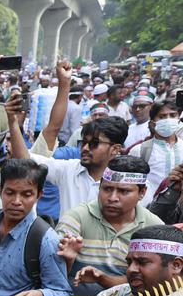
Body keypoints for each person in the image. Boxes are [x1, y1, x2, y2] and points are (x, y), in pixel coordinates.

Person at [8, 61, 129, 217]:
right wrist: (12, 121)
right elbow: (25, 159)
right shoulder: (68, 170)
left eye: (94, 144)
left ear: (116, 149)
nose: (84, 148)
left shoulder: (127, 182)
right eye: (84, 143)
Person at [56, 155, 164, 296]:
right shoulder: (76, 218)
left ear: (142, 193)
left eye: (123, 191)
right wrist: (67, 261)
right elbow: (52, 278)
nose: (112, 198)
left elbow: (153, 281)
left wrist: (103, 279)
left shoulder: (153, 227)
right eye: (107, 189)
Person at [0, 159, 72, 296]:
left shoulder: (46, 240)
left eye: (26, 195)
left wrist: (42, 295)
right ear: (0, 191)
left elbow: (63, 292)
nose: (16, 201)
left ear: (39, 195)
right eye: (10, 193)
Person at [128, 101, 181, 197]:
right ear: (152, 123)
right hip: (149, 206)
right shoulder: (140, 150)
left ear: (178, 119)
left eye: (173, 115)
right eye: (162, 117)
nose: (168, 120)